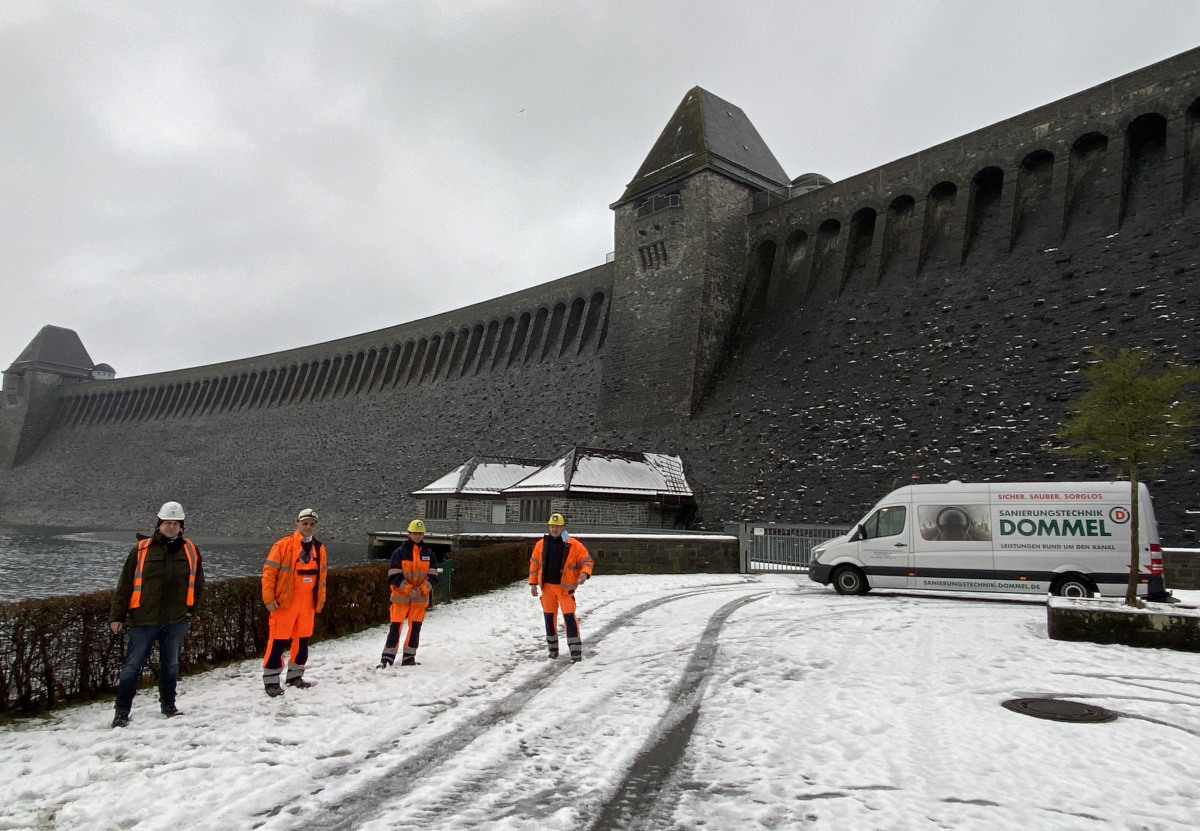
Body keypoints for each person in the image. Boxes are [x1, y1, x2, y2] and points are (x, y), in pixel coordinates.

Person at [109, 500, 204, 728]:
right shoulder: (141, 550)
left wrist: (192, 611)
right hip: (143, 620)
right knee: (132, 666)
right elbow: (125, 585)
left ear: (181, 526)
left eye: (175, 523)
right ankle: (121, 712)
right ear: (159, 524)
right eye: (167, 523)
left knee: (170, 665)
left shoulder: (190, 550)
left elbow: (198, 583)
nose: (171, 527)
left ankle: (168, 706)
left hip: (176, 620)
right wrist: (117, 616)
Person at [261, 508, 328, 697]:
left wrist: (320, 600)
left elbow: (322, 577)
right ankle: (271, 681)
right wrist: (268, 598)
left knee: (303, 641)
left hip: (307, 603)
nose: (308, 527)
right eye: (305, 523)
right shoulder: (282, 546)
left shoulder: (319, 548)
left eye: (312, 524)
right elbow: (269, 574)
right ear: (297, 523)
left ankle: (295, 676)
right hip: (285, 603)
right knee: (278, 641)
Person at [529, 513, 593, 662]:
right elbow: (534, 564)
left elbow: (587, 561)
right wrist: (533, 583)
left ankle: (575, 652)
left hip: (565, 590)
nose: (555, 529)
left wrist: (584, 574)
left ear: (563, 527)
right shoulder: (541, 545)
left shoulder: (573, 545)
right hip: (547, 589)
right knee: (549, 619)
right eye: (552, 526)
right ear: (549, 527)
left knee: (569, 619)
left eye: (557, 526)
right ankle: (552, 650)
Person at [377, 519, 440, 668]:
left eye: (420, 533)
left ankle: (409, 658)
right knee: (395, 629)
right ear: (409, 533)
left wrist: (421, 589)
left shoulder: (429, 553)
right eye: (415, 533)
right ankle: (387, 659)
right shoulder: (399, 553)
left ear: (423, 534)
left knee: (415, 630)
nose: (417, 536)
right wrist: (409, 589)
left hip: (419, 600)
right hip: (401, 599)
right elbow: (394, 576)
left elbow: (433, 576)